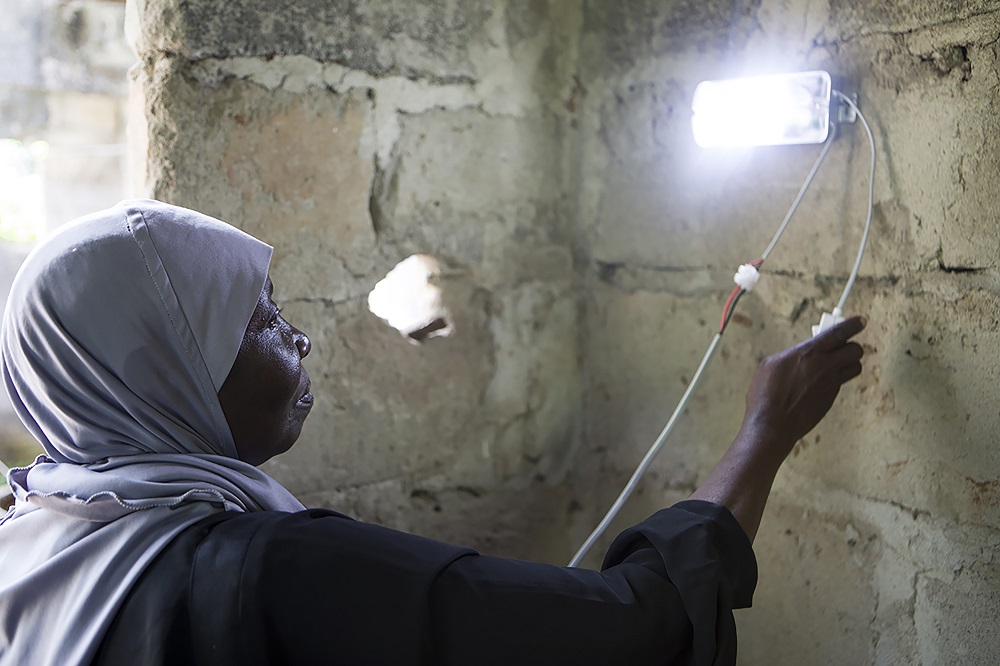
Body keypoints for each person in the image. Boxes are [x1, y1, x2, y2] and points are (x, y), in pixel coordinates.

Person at [0, 200, 865, 666]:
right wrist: (765, 431)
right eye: (258, 321)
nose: (297, 339)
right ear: (165, 372)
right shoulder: (269, 570)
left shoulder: (35, 536)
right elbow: (635, 627)